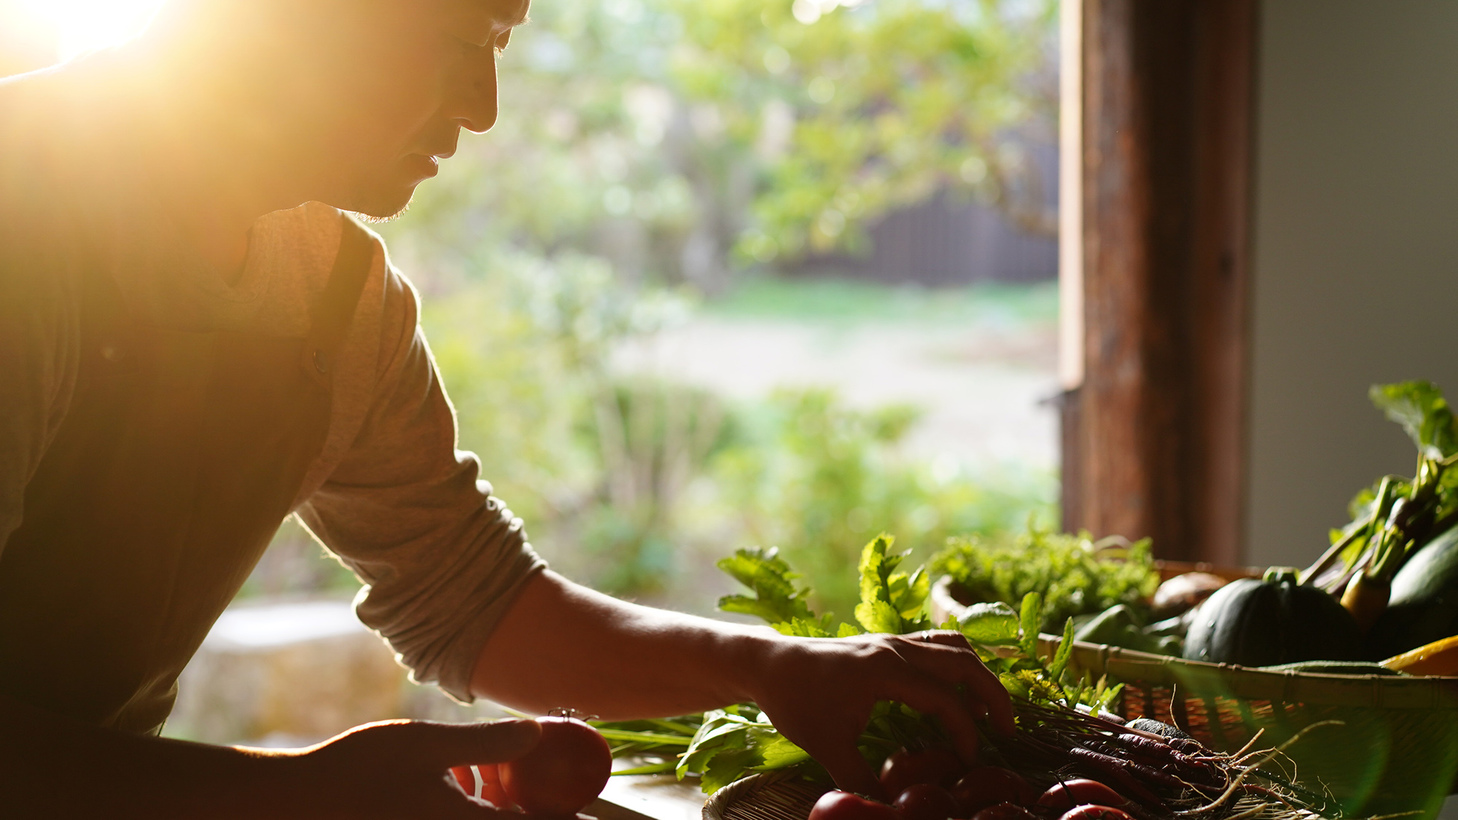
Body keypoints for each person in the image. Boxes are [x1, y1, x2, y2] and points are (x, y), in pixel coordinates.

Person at [0, 0, 1013, 816]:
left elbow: (474, 597)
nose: (483, 107)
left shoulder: (338, 293)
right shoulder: (25, 212)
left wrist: (774, 665)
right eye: (459, 39)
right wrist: (289, 793)